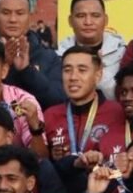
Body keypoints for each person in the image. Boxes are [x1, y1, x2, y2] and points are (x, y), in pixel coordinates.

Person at [43, 44, 124, 180]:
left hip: (106, 187)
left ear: (98, 75)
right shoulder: (50, 115)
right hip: (63, 190)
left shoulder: (118, 113)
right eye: (67, 70)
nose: (73, 77)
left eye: (82, 70)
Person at [0, 0, 64, 108]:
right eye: (6, 13)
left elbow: (57, 100)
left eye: (20, 13)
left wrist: (26, 71)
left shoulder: (47, 56)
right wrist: (2, 65)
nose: (13, 19)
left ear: (29, 17)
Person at [56, 0, 126, 98]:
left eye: (95, 16)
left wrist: (100, 74)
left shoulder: (122, 53)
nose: (88, 22)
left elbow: (123, 94)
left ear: (105, 20)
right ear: (70, 21)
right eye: (81, 16)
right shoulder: (58, 56)